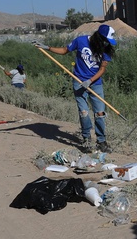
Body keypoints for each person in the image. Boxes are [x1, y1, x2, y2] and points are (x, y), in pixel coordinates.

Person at [33, 24, 117, 153]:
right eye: (105, 40)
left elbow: (102, 69)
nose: (106, 43)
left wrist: (90, 81)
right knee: (84, 113)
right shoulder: (81, 41)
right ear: (99, 37)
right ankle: (87, 139)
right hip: (78, 81)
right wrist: (47, 47)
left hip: (95, 83)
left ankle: (101, 141)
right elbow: (64, 50)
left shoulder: (106, 50)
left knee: (100, 113)